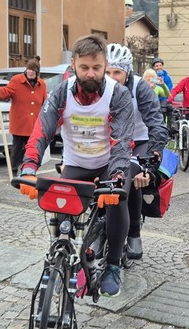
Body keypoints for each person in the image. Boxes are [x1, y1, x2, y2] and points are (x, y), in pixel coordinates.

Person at [20, 34, 134, 298]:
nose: (91, 73)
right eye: (84, 68)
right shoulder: (61, 92)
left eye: (96, 67)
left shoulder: (119, 94)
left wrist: (117, 177)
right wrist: (29, 167)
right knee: (61, 215)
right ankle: (59, 258)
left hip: (108, 165)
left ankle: (113, 265)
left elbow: (121, 140)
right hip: (75, 163)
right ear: (73, 65)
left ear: (105, 64)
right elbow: (42, 130)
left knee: (118, 202)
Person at [106, 45, 168, 261]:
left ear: (127, 72)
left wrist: (150, 164)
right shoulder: (97, 87)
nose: (112, 78)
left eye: (117, 73)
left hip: (138, 141)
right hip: (109, 141)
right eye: (107, 72)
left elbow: (157, 126)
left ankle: (133, 234)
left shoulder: (140, 87)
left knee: (131, 175)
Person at [0, 59, 48, 171]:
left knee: (32, 149)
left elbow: (45, 103)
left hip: (34, 125)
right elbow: (6, 92)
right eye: (29, 69)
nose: (30, 72)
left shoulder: (42, 84)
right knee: (17, 149)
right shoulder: (17, 80)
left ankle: (29, 169)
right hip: (20, 123)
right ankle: (14, 169)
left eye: (33, 70)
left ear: (37, 72)